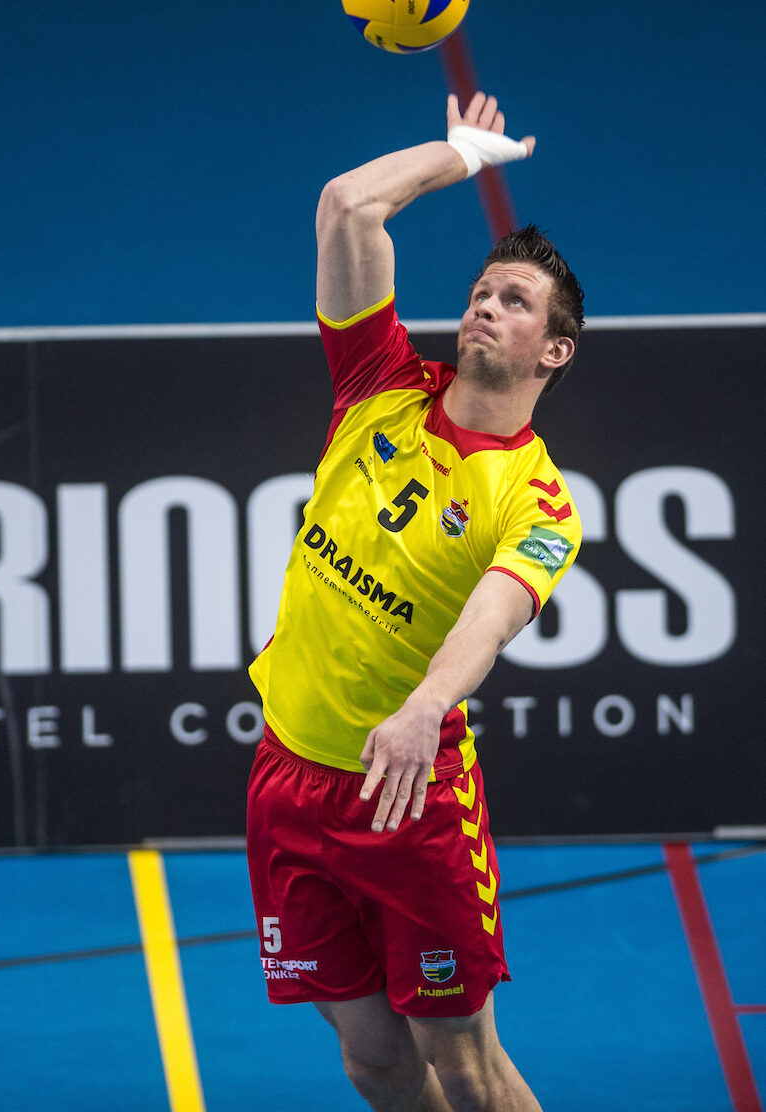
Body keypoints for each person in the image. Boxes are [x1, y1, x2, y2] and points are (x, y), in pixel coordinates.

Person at [246, 91, 584, 1112]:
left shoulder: (536, 500)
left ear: (554, 351)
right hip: (288, 776)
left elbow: (491, 617)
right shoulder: (379, 384)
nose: (486, 305)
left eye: (515, 302)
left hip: (411, 795)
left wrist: (427, 705)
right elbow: (349, 205)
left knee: (465, 1067)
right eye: (483, 290)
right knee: (374, 1061)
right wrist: (460, 152)